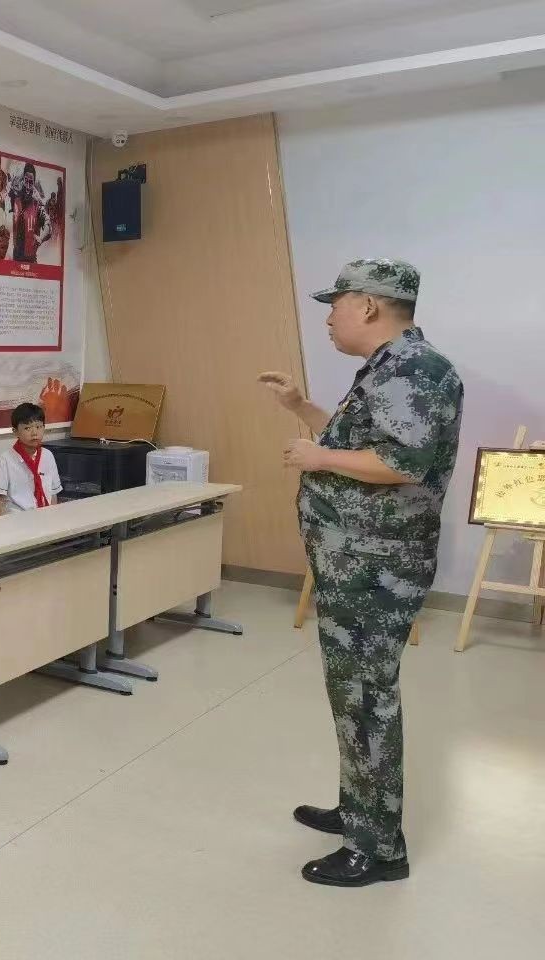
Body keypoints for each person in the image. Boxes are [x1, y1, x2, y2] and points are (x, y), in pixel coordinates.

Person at [258, 257, 463, 888]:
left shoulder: (415, 369)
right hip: (357, 564)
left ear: (369, 306)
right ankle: (359, 810)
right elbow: (361, 446)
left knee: (368, 698)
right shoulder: (387, 368)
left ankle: (378, 849)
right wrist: (301, 407)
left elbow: (403, 463)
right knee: (353, 695)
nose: (329, 318)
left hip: (378, 568)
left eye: (336, 305)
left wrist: (317, 458)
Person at [0, 402, 61, 515]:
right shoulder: (6, 459)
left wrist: (54, 518)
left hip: (45, 516)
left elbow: (53, 493)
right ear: (15, 432)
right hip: (17, 518)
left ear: (44, 427)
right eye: (27, 428)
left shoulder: (48, 455)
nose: (34, 433)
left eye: (38, 427)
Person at [10, 162, 52, 264]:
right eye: (26, 181)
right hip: (16, 256)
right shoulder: (16, 199)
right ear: (23, 179)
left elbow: (48, 226)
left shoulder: (37, 205)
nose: (28, 185)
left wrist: (40, 238)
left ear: (34, 183)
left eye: (31, 182)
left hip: (30, 259)